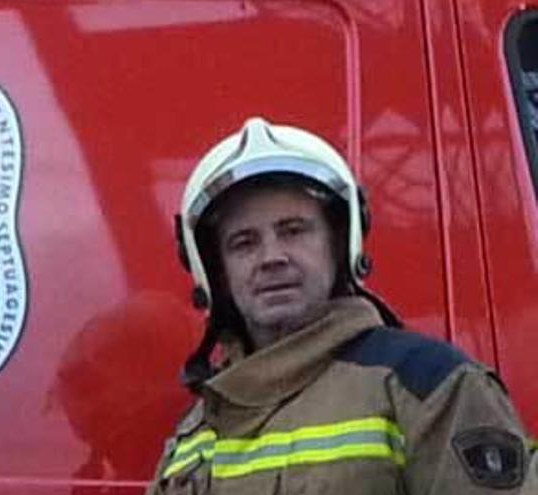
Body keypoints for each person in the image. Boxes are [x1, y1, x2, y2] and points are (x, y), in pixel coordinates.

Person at [147, 117, 536, 494]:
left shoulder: (430, 385)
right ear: (215, 271)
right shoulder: (198, 430)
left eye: (293, 231)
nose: (272, 257)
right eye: (244, 243)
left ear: (338, 244)